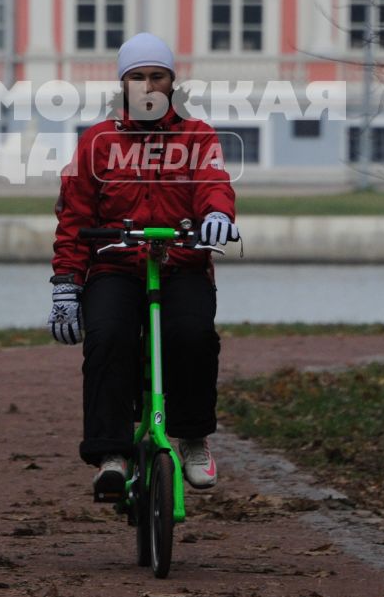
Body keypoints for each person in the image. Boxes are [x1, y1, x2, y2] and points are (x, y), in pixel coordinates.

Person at [48, 32, 240, 501]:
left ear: (172, 83)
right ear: (124, 84)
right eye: (138, 77)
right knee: (108, 338)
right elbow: (74, 216)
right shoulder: (97, 142)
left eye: (158, 76)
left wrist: (217, 215)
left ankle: (192, 438)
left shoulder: (197, 136)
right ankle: (111, 455)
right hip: (115, 265)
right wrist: (66, 284)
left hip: (182, 264)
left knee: (192, 336)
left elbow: (213, 183)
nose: (149, 86)